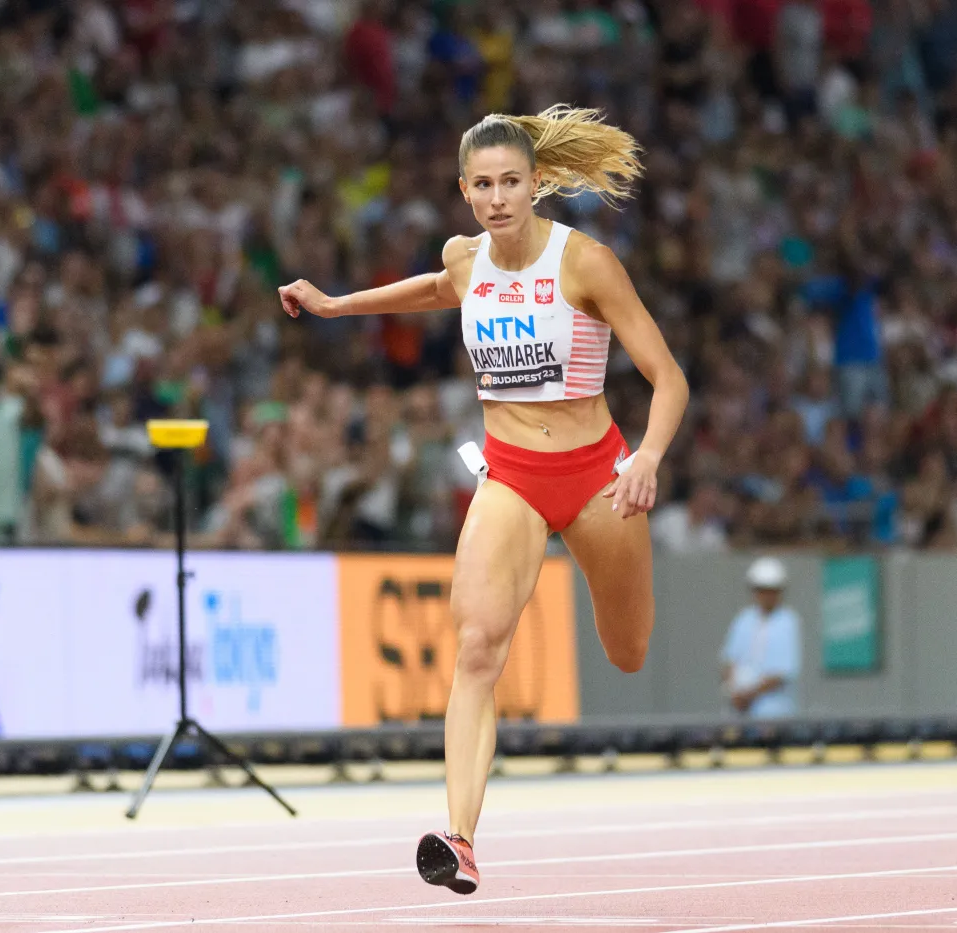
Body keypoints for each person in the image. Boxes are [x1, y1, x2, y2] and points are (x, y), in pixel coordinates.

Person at [276, 105, 689, 896]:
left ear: (537, 184)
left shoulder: (586, 263)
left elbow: (668, 376)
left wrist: (650, 457)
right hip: (511, 479)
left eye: (511, 182)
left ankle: (616, 607)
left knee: (628, 648)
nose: (498, 197)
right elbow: (437, 287)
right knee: (475, 648)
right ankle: (460, 837)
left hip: (600, 476)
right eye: (483, 185)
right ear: (464, 190)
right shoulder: (467, 261)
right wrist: (336, 306)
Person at [719, 557, 802, 719]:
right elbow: (729, 661)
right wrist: (734, 693)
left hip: (775, 713)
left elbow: (782, 673)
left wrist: (749, 695)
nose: (766, 595)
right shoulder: (743, 619)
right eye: (761, 590)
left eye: (771, 590)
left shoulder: (788, 621)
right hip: (739, 712)